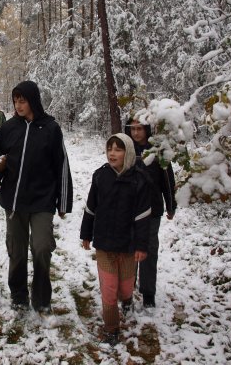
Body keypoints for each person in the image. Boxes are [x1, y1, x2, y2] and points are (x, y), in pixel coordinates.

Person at [0, 80, 73, 313]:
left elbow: (62, 165)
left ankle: (41, 298)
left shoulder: (51, 129)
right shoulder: (9, 127)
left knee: (42, 247)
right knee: (16, 250)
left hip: (43, 200)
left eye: (22, 101)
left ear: (33, 100)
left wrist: (63, 201)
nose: (18, 105)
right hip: (14, 201)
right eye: (15, 101)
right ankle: (19, 295)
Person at [80, 133, 156, 346]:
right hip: (104, 244)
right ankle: (111, 329)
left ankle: (128, 299)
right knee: (109, 290)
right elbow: (91, 207)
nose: (112, 153)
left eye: (118, 149)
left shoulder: (139, 180)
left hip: (128, 246)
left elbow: (143, 216)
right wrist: (86, 234)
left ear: (128, 152)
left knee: (125, 288)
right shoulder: (100, 176)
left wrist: (141, 245)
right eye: (109, 149)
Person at [124, 117, 177, 308]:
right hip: (129, 209)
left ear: (146, 129)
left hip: (152, 209)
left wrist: (171, 205)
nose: (136, 133)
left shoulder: (157, 151)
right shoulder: (125, 149)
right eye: (132, 129)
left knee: (148, 250)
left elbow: (167, 180)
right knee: (129, 249)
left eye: (139, 129)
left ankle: (148, 293)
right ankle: (127, 290)